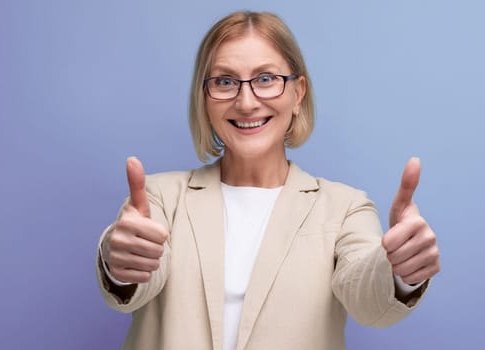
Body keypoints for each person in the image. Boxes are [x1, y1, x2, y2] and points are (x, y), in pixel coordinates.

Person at [96, 10, 441, 350]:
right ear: (205, 99)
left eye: (265, 79)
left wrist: (400, 273)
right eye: (224, 81)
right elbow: (135, 282)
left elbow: (368, 297)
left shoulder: (345, 208)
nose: (246, 102)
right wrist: (121, 264)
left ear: (298, 93)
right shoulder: (159, 197)